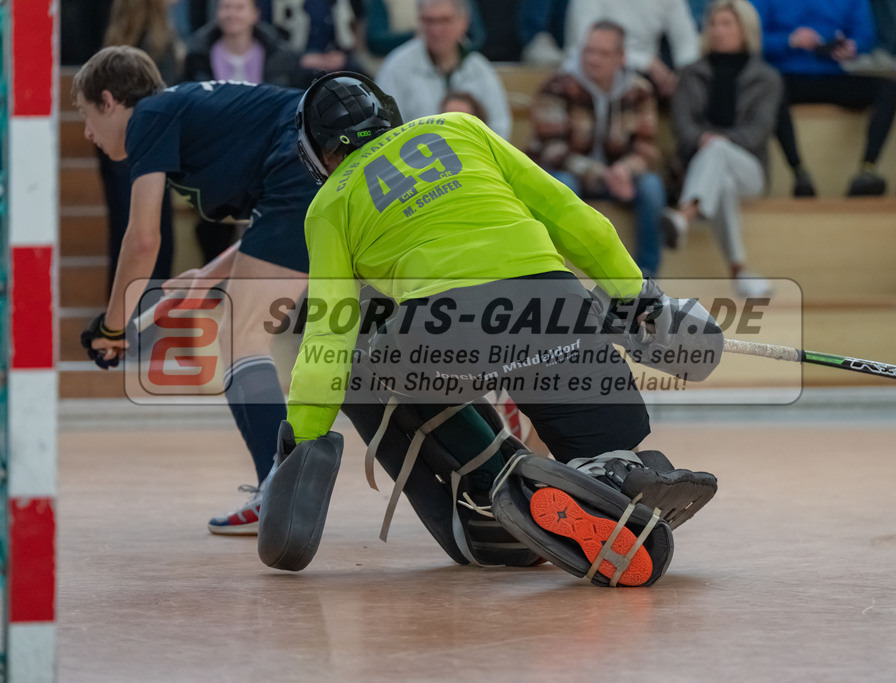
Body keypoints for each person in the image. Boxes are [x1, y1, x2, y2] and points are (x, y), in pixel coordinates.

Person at [273, 71, 721, 585]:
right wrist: (639, 297)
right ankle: (613, 471)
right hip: (554, 301)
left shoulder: (329, 202)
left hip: (441, 328)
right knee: (603, 442)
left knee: (359, 366)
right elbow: (574, 217)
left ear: (318, 153)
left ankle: (490, 497)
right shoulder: (461, 128)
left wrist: (301, 442)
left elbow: (328, 335)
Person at [73, 46, 318, 535]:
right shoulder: (193, 110)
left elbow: (143, 240)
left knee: (237, 336)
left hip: (306, 170)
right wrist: (207, 276)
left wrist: (112, 326)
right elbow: (273, 224)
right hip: (323, 167)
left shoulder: (150, 115)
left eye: (84, 116)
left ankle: (281, 488)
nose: (86, 133)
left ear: (108, 100)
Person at [528, 21, 667, 278]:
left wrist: (625, 170)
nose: (593, 59)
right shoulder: (557, 86)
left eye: (603, 53)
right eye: (588, 51)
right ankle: (560, 274)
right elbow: (551, 149)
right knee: (562, 184)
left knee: (652, 187)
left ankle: (646, 277)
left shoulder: (639, 91)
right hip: (569, 172)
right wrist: (603, 174)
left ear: (621, 57)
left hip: (618, 177)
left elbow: (647, 147)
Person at [665, 0, 780, 297]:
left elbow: (759, 130)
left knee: (718, 151)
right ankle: (739, 271)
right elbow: (682, 123)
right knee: (723, 182)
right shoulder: (691, 73)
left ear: (745, 29)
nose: (718, 31)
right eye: (714, 24)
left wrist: (720, 141)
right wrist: (700, 139)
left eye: (727, 24)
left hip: (749, 167)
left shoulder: (767, 78)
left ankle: (685, 215)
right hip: (701, 166)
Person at [183, 0, 301, 262]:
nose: (231, 13)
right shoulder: (198, 53)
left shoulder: (280, 54)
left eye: (239, 7)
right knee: (213, 220)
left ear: (254, 14)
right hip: (216, 151)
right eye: (226, 7)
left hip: (269, 149)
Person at [751, 0, 896, 197]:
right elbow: (750, 37)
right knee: (769, 87)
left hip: (832, 74)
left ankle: (867, 169)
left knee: (887, 89)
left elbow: (866, 36)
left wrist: (852, 47)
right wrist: (789, 40)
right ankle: (799, 172)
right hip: (786, 76)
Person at [101, 0, 182, 288]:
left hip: (125, 147)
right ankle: (137, 320)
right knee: (147, 239)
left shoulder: (117, 43)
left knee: (128, 234)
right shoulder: (153, 43)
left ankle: (124, 319)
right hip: (142, 149)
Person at [375, 0, 511, 139]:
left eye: (445, 20)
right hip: (414, 157)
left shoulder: (481, 70)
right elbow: (384, 128)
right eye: (428, 20)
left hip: (472, 156)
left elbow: (499, 129)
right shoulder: (396, 67)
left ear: (464, 22)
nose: (436, 30)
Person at [563, 0, 700, 99]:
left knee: (690, 84)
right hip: (595, 63)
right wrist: (647, 62)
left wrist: (682, 74)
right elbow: (585, 41)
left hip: (649, 73)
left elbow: (686, 40)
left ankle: (704, 137)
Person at [269, 0, 369, 88]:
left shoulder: (344, 3)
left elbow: (352, 36)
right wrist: (302, 59)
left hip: (334, 62)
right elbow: (272, 39)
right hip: (296, 64)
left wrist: (342, 56)